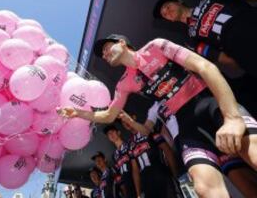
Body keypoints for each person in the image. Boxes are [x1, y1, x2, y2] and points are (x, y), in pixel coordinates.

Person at [58, 34, 257, 198]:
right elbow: (110, 115)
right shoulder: (124, 83)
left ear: (122, 43)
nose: (104, 53)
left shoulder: (156, 46)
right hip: (186, 123)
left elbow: (206, 67)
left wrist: (231, 117)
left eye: (107, 47)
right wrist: (79, 112)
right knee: (204, 189)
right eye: (102, 54)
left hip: (210, 105)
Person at [152, 0, 257, 116]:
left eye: (167, 6)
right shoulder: (191, 41)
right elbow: (222, 58)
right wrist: (245, 61)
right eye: (165, 14)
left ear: (178, 1)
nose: (167, 12)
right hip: (248, 54)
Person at [102, 124, 140, 198]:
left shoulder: (130, 145)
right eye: (108, 134)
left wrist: (138, 193)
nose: (111, 134)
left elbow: (136, 167)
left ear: (118, 133)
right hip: (127, 185)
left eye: (112, 131)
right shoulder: (114, 155)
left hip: (137, 181)